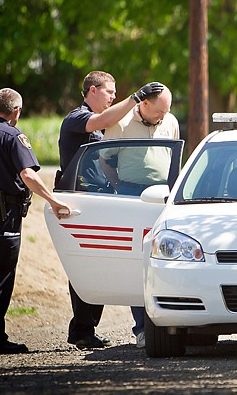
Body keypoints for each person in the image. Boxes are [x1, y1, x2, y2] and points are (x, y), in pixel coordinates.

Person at [58, 71, 163, 349]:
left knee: (100, 263)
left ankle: (84, 329)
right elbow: (104, 120)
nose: (114, 96)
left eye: (116, 93)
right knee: (87, 262)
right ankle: (82, 329)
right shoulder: (77, 118)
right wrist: (136, 98)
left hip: (99, 198)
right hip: (80, 199)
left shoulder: (98, 122)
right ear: (92, 91)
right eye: (109, 92)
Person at [0, 88, 72, 355]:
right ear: (16, 111)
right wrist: (53, 200)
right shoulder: (14, 136)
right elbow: (27, 174)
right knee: (0, 277)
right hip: (5, 216)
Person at [99, 84, 179, 349]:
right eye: (158, 111)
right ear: (144, 104)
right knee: (138, 263)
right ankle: (142, 328)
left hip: (166, 197)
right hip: (132, 195)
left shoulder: (170, 121)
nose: (162, 117)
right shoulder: (120, 123)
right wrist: (121, 188)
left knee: (168, 258)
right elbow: (105, 161)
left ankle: (174, 322)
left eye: (166, 112)